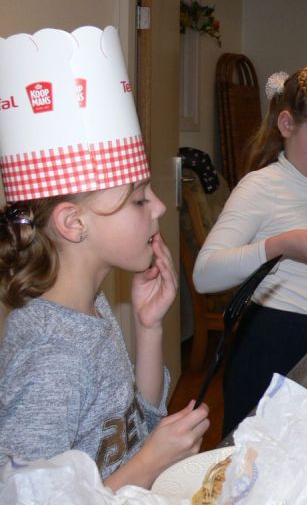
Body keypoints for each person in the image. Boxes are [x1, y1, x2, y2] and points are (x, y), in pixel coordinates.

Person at [0, 26, 209, 490]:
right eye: (138, 200)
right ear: (74, 223)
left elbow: (132, 428)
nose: (157, 207)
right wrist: (150, 464)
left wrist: (149, 327)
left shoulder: (89, 310)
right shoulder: (51, 358)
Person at [193, 62, 307, 435]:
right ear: (286, 125)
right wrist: (278, 246)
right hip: (269, 345)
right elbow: (205, 274)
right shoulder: (260, 187)